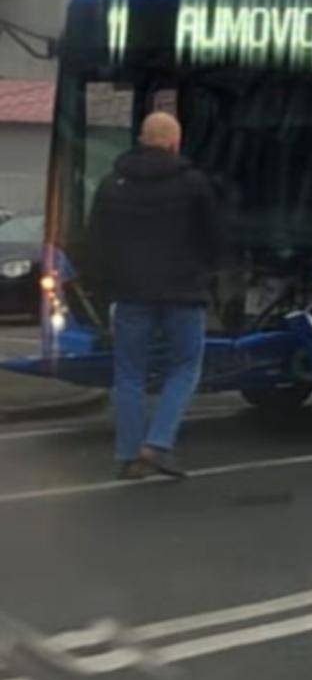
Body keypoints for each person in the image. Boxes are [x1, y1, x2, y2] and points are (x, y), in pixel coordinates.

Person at [87, 112, 220, 480]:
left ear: (142, 139)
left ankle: (129, 455)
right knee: (184, 369)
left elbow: (95, 240)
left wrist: (107, 283)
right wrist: (204, 275)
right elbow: (211, 240)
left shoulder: (113, 183)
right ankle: (157, 444)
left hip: (130, 293)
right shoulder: (194, 184)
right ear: (175, 143)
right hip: (183, 293)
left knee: (128, 374)